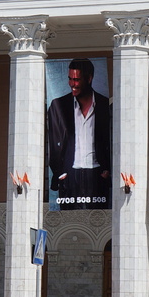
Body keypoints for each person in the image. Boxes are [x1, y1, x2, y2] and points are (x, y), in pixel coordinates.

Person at [46, 58, 111, 210]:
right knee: (68, 224)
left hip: (97, 175)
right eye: (70, 79)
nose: (72, 84)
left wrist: (107, 171)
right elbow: (53, 143)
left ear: (89, 79)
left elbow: (112, 140)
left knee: (99, 223)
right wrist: (59, 173)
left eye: (76, 79)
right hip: (69, 175)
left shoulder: (104, 104)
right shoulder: (58, 105)